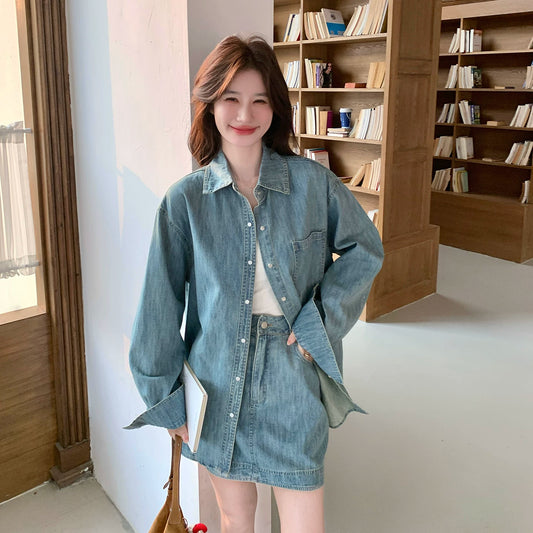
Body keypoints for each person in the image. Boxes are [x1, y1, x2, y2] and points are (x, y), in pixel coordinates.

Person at [126, 35, 384, 533]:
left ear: (275, 108)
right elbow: (159, 305)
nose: (245, 114)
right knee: (235, 518)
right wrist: (167, 401)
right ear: (210, 104)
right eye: (231, 98)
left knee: (305, 524)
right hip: (217, 378)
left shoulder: (313, 184)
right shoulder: (184, 202)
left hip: (294, 374)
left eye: (260, 100)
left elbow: (364, 250)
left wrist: (319, 322)